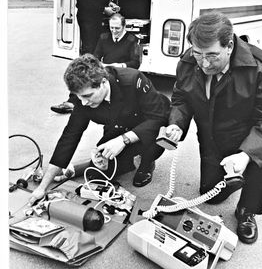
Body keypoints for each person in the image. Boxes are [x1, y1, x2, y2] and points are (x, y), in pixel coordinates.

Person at [165, 10, 262, 244]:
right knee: (209, 196)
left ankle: (247, 209)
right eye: (198, 54)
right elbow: (181, 97)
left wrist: (246, 155)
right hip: (211, 140)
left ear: (230, 45)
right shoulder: (189, 60)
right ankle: (233, 180)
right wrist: (177, 123)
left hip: (246, 139)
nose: (203, 63)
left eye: (212, 55)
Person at [29, 54, 170, 205]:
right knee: (97, 176)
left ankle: (147, 162)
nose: (83, 103)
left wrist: (124, 139)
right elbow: (69, 137)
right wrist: (43, 187)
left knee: (154, 141)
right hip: (117, 127)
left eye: (88, 96)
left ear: (103, 82)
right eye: (79, 97)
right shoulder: (82, 97)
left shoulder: (133, 80)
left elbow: (159, 118)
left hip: (149, 126)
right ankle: (76, 168)